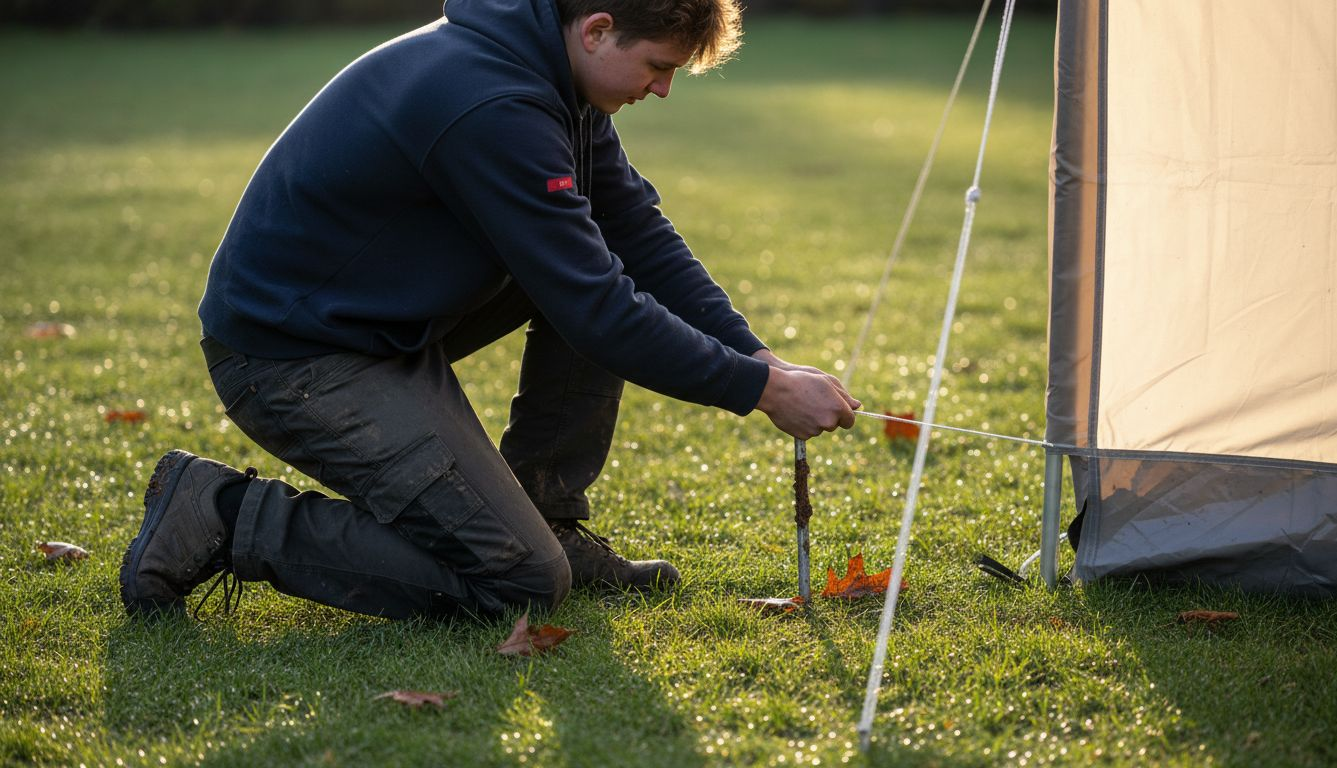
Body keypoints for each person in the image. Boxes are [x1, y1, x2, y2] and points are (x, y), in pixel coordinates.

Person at [119, 0, 858, 622]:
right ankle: (218, 513)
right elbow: (597, 309)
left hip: (376, 328)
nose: (663, 88)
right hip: (292, 356)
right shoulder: (493, 103)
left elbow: (634, 233)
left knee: (597, 262)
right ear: (597, 29)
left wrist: (759, 357)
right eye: (659, 66)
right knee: (521, 581)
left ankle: (548, 514)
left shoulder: (553, 76)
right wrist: (761, 393)